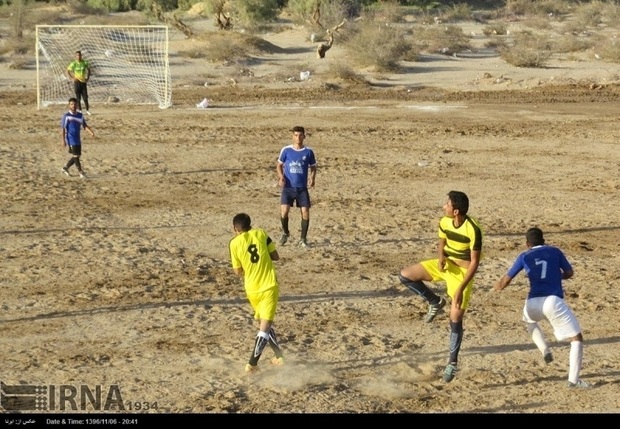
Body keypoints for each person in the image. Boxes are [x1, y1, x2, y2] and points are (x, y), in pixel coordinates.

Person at [398, 190, 482, 383]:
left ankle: (452, 363)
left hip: (462, 274)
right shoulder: (444, 221)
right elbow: (441, 242)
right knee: (406, 275)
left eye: (447, 204)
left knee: (455, 317)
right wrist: (442, 257)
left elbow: (475, 263)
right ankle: (435, 301)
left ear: (456, 211)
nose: (444, 206)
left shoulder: (473, 229)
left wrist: (460, 288)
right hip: (445, 265)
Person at [494, 227, 592, 389]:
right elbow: (569, 272)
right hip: (552, 301)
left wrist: (496, 286)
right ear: (543, 240)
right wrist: (557, 275)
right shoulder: (555, 251)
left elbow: (504, 282)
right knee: (576, 338)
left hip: (532, 302)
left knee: (529, 320)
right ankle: (573, 381)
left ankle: (545, 350)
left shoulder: (524, 256)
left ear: (527, 244)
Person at [229, 213, 285, 373]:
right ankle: (252, 364)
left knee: (265, 323)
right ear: (250, 225)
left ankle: (279, 357)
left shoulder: (233, 244)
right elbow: (276, 256)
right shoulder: (260, 233)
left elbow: (237, 271)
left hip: (252, 289)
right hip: (268, 286)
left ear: (235, 229)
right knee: (265, 326)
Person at [276, 126, 317, 248]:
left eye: (300, 135)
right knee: (284, 211)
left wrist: (312, 178)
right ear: (292, 136)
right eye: (295, 135)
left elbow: (313, 166)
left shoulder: (308, 152)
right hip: (288, 187)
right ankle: (285, 232)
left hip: (302, 188)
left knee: (305, 212)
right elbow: (279, 165)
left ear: (304, 136)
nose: (298, 137)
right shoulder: (286, 150)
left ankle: (303, 239)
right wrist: (281, 177)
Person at [61, 97, 95, 179]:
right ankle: (81, 172)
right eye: (72, 104)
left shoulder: (80, 115)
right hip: (70, 138)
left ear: (77, 105)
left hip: (77, 139)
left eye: (75, 104)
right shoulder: (66, 116)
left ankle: (65, 168)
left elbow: (84, 125)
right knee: (76, 156)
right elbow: (63, 128)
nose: (73, 106)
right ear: (69, 105)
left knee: (77, 155)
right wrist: (63, 140)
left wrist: (91, 132)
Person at [67, 50, 91, 115]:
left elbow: (89, 70)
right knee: (78, 97)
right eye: (77, 55)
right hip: (77, 82)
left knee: (85, 97)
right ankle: (80, 110)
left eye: (80, 55)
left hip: (83, 82)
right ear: (75, 56)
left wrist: (87, 77)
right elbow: (68, 70)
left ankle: (87, 110)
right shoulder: (73, 63)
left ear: (81, 56)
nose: (79, 56)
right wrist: (72, 78)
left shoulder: (85, 62)